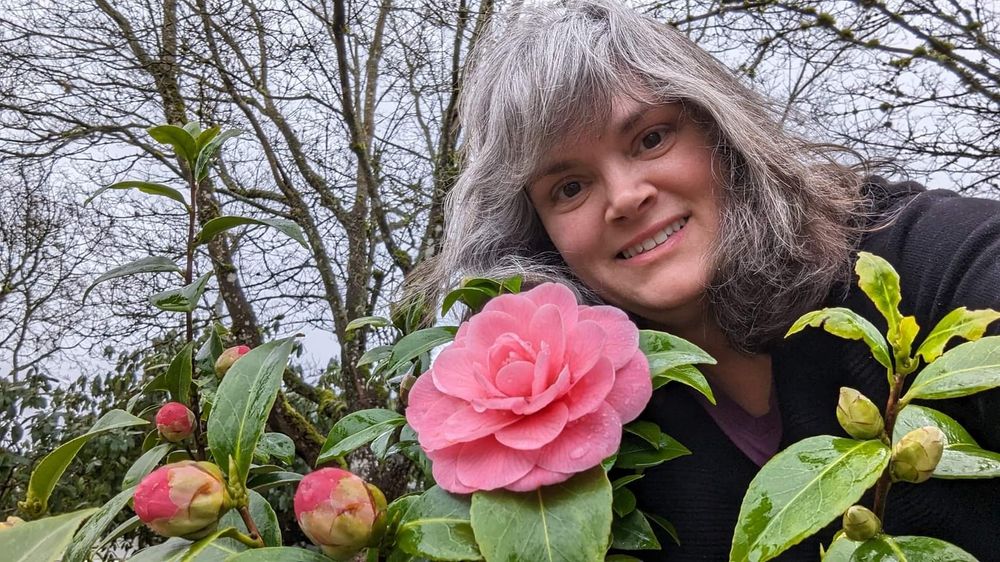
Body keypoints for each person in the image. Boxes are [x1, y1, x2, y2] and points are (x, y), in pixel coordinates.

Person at [407, 0, 1000, 559]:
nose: (626, 198)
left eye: (651, 138)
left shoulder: (907, 256)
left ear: (720, 130)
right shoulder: (586, 461)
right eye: (570, 187)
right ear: (538, 237)